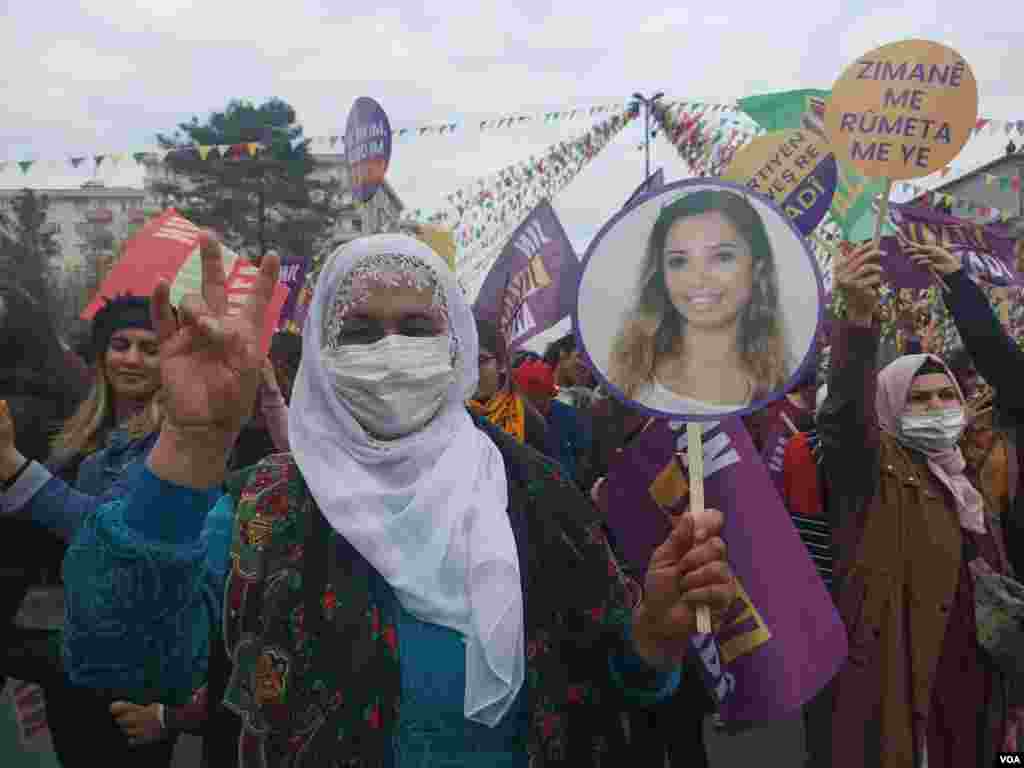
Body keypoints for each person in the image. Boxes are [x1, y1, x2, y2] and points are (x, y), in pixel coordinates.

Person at [34, 231, 737, 766]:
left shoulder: (538, 492)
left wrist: (653, 636)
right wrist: (190, 443)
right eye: (361, 332)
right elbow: (121, 660)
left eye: (418, 327)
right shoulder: (268, 508)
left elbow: (618, 683)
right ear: (321, 351)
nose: (391, 350)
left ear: (456, 346)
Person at [820, 241, 1018, 768]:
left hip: (980, 688)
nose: (936, 408)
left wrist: (960, 287)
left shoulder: (970, 478)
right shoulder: (874, 469)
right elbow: (843, 418)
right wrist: (856, 318)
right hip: (907, 680)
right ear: (888, 407)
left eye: (945, 396)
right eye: (919, 398)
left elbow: (1008, 373)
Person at [608, 189, 790, 415]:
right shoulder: (629, 381)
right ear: (660, 275)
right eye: (679, 261)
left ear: (757, 269)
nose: (698, 278)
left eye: (722, 257)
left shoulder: (778, 395)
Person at [467, 313, 548, 454]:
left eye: (481, 360)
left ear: (502, 365)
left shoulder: (530, 421)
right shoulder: (448, 414)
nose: (472, 369)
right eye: (466, 360)